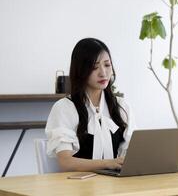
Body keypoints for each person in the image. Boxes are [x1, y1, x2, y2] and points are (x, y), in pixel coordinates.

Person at [45, 38, 135, 172]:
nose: (103, 73)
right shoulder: (64, 108)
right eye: (94, 67)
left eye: (107, 65)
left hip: (115, 186)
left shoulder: (121, 106)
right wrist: (108, 163)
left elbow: (132, 153)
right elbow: (66, 162)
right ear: (81, 70)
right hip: (77, 188)